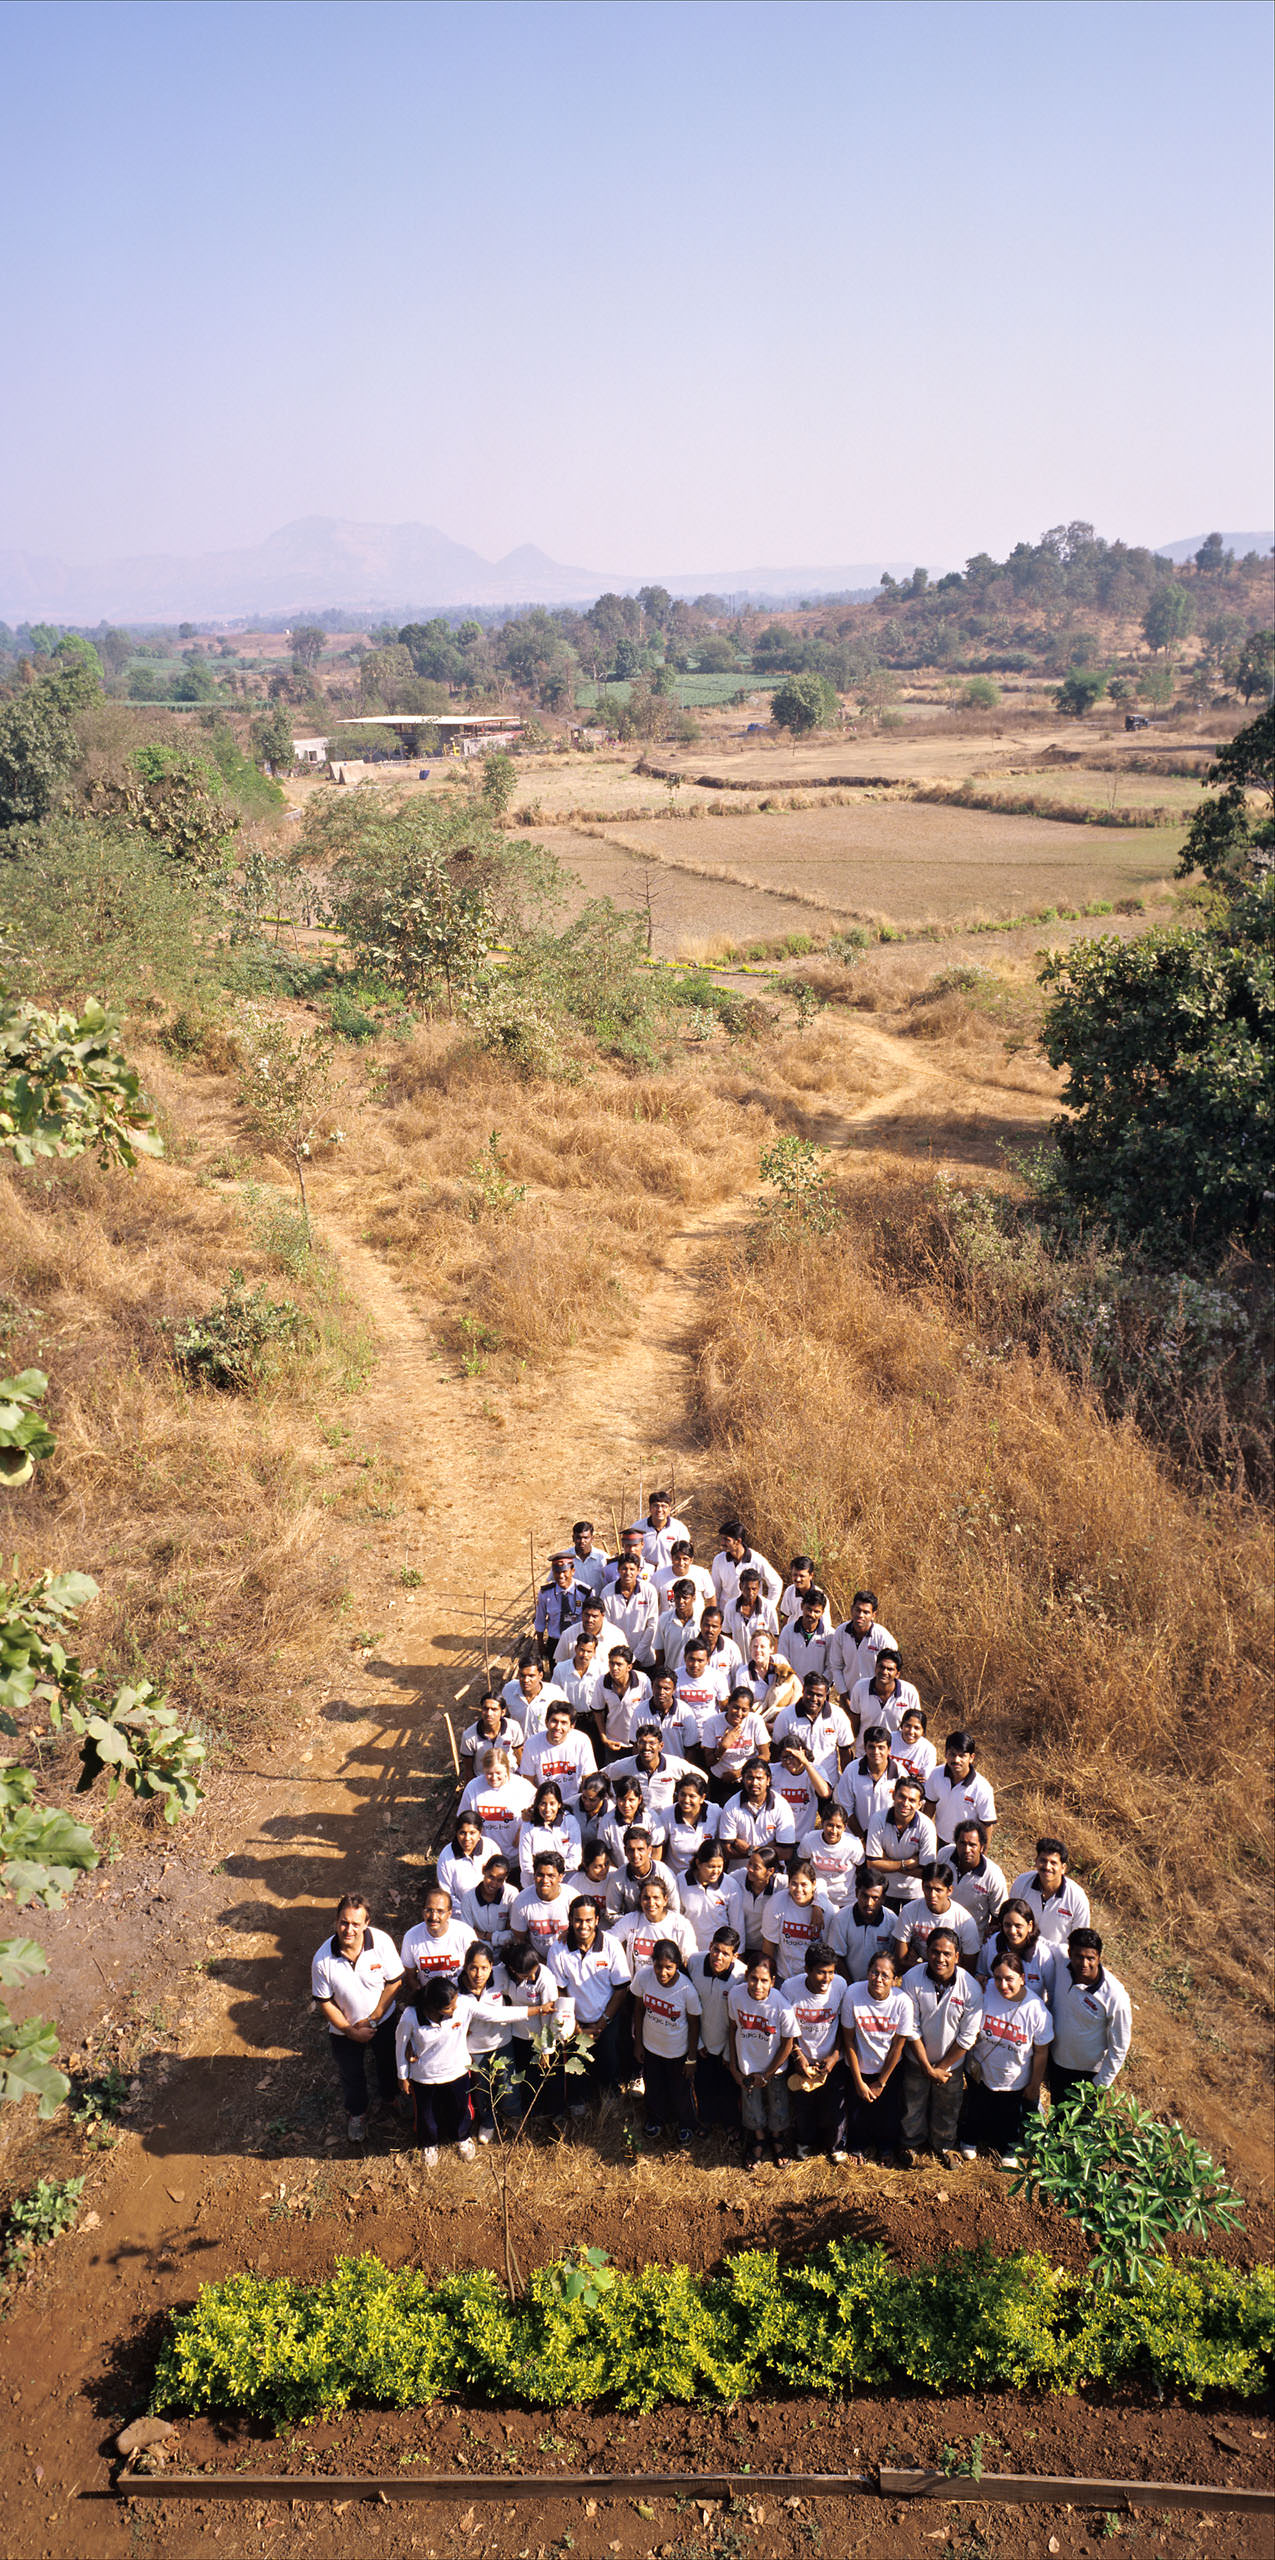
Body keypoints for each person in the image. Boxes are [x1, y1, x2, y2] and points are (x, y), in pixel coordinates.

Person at [311, 1891, 404, 2141]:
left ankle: (390, 2098)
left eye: (355, 1923)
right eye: (344, 1922)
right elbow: (325, 2002)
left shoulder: (381, 1943)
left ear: (366, 1923)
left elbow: (394, 1983)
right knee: (351, 2074)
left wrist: (374, 2016)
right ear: (336, 1921)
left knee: (387, 2062)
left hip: (382, 2022)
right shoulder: (322, 1959)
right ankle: (357, 2114)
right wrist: (351, 2030)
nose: (348, 1929)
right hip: (344, 2030)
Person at [961, 1949, 1052, 2169]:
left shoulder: (1036, 2010)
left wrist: (1034, 2085)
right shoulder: (986, 1990)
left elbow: (1041, 2052)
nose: (1003, 1985)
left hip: (1014, 2079)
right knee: (976, 2107)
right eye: (998, 1978)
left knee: (1008, 2117)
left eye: (1009, 1979)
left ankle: (1008, 2148)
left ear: (1022, 1978)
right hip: (982, 2071)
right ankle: (970, 2138)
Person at [899, 1929, 982, 2165]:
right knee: (912, 2103)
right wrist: (926, 2065)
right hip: (917, 2059)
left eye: (947, 1953)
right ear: (927, 1952)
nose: (940, 1959)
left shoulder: (970, 1987)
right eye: (934, 1952)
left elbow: (967, 2036)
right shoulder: (912, 1978)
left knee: (948, 2106)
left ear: (957, 1956)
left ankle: (944, 2144)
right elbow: (911, 2026)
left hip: (951, 2065)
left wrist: (940, 2068)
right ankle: (911, 2143)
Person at [456, 1938, 544, 2141]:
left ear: (492, 1967)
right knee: (482, 2088)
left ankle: (514, 2118)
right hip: (474, 2049)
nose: (479, 1975)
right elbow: (493, 2015)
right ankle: (487, 2122)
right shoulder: (457, 1989)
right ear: (465, 1966)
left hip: (502, 2043)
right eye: (473, 1968)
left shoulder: (501, 1977)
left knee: (508, 2085)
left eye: (484, 1968)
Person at [547, 1896, 632, 2100]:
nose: (583, 1926)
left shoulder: (611, 1945)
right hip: (574, 2020)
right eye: (577, 1920)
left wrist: (602, 2024)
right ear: (570, 1920)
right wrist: (574, 2026)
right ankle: (578, 2104)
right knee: (576, 2067)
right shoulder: (557, 1949)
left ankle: (610, 2101)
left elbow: (621, 1990)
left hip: (607, 2018)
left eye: (588, 1920)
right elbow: (559, 1991)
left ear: (596, 1920)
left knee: (609, 2060)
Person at [841, 1948, 915, 2164]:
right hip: (858, 2066)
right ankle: (857, 2146)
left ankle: (885, 2148)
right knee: (857, 2113)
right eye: (874, 1972)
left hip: (888, 2069)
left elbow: (897, 2047)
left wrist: (881, 2082)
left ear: (895, 1979)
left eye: (885, 1975)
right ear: (867, 1972)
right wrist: (858, 2081)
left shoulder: (903, 2002)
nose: (878, 1979)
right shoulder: (853, 1994)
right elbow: (849, 2041)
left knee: (888, 2113)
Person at [396, 1976, 478, 2164]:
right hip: (425, 2077)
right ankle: (429, 2144)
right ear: (432, 2006)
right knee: (426, 2113)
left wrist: (535, 2010)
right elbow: (400, 2046)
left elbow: (496, 2014)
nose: (455, 2009)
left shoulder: (461, 2005)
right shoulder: (410, 2016)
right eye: (449, 2007)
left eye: (455, 2003)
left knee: (459, 2108)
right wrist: (403, 2076)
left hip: (457, 2072)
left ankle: (462, 2137)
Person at [727, 1949, 796, 2170]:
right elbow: (732, 2028)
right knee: (751, 2106)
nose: (758, 1985)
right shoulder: (736, 1995)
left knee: (778, 2105)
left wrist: (767, 2074)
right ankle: (757, 2139)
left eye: (764, 1980)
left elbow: (788, 2043)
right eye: (753, 1979)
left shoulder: (782, 2007)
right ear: (747, 1976)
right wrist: (733, 2065)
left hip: (773, 2069)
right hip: (747, 2065)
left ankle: (776, 2138)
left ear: (773, 1982)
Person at [781, 1943, 849, 2161]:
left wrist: (835, 2055)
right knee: (804, 2106)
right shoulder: (790, 1989)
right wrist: (798, 2056)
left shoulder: (840, 1985)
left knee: (834, 2106)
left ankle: (835, 2145)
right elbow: (786, 2030)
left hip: (831, 2061)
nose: (826, 1979)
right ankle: (803, 2142)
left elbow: (843, 2026)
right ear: (807, 1970)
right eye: (821, 1972)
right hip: (802, 2060)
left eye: (831, 1972)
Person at [1048, 1929, 1132, 2098]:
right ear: (1069, 1953)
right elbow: (1041, 1942)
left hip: (1088, 2077)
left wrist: (1099, 2085)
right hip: (1057, 2066)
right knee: (1057, 2122)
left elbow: (1120, 2047)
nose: (1084, 1964)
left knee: (1081, 2124)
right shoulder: (1061, 1963)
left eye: (1090, 1958)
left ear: (1099, 1957)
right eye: (1079, 1956)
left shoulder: (1115, 1996)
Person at [632, 1940, 701, 2144]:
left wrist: (691, 2058)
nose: (662, 1972)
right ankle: (656, 2120)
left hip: (677, 2052)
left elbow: (694, 2024)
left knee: (680, 2091)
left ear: (677, 1965)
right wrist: (638, 2042)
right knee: (654, 2088)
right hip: (651, 2047)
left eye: (669, 1967)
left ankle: (686, 2124)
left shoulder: (686, 1990)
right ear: (652, 1963)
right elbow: (638, 2008)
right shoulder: (644, 1977)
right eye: (658, 1966)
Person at [691, 1927, 746, 2129]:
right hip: (701, 2041)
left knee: (728, 2088)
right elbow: (689, 2006)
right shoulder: (695, 1963)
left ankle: (731, 2125)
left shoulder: (741, 1976)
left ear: (735, 1955)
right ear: (709, 1946)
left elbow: (739, 2020)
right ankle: (705, 2121)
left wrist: (728, 2051)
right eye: (715, 1949)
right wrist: (697, 2041)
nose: (718, 1957)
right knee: (703, 2084)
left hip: (727, 2045)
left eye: (725, 1953)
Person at [866, 1776, 940, 1910]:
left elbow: (927, 1874)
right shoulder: (878, 1819)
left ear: (920, 1804)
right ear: (893, 1795)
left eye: (912, 1800)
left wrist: (887, 1861)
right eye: (902, 1796)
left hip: (914, 1893)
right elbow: (872, 1864)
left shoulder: (927, 1826)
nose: (905, 1803)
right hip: (884, 1890)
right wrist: (907, 1863)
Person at [1009, 1838, 1092, 1951]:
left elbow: (1080, 1940)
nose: (1047, 1867)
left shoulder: (1077, 1898)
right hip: (1021, 1951)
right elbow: (1009, 1917)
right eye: (1043, 1860)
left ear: (1063, 1868)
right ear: (1036, 1861)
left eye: (1053, 1863)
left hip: (1056, 1959)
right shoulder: (1022, 1882)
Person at [459, 1743, 535, 1862]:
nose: (494, 1778)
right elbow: (463, 1819)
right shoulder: (473, 1787)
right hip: (485, 1859)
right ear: (483, 1770)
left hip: (518, 1857)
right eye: (489, 1773)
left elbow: (538, 1813)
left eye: (498, 1773)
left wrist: (524, 1829)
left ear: (507, 1768)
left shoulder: (523, 1787)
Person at [895, 1863, 981, 1966]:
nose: (932, 1895)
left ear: (949, 1890)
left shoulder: (965, 1921)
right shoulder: (909, 1911)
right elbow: (901, 1960)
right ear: (922, 1887)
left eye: (938, 1890)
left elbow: (969, 1966)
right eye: (928, 1888)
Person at [762, 1854, 834, 1977]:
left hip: (814, 1979)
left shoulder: (827, 1910)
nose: (798, 1890)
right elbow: (769, 1945)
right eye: (794, 1884)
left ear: (813, 1884)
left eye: (804, 1884)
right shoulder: (776, 1903)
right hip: (783, 1976)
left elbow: (830, 1951)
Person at [772, 1672, 854, 1779]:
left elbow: (845, 1753)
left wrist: (846, 1781)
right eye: (810, 1693)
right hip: (796, 1785)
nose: (814, 1699)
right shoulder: (785, 1715)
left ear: (826, 1695)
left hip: (828, 1783)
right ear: (803, 1691)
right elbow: (775, 1752)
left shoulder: (838, 1715)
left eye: (819, 1695)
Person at [977, 1899, 1056, 2008]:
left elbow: (1052, 1994)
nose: (1012, 1931)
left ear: (1030, 1926)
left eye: (1018, 1926)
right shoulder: (991, 1944)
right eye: (1007, 1925)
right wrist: (980, 1979)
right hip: (994, 2011)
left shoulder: (1042, 1954)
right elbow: (980, 1972)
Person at [718, 1756, 798, 1865]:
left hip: (771, 1873)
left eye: (759, 1778)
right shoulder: (731, 1806)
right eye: (750, 1778)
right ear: (743, 1779)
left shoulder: (781, 1806)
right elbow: (727, 1851)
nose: (754, 1783)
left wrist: (750, 1849)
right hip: (738, 1874)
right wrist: (768, 1849)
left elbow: (787, 1852)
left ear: (768, 1780)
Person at [612, 1874, 697, 1976]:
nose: (651, 1903)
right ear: (640, 1900)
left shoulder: (681, 1925)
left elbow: (691, 1959)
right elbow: (609, 1940)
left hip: (669, 1986)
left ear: (665, 1900)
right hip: (638, 1987)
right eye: (646, 1898)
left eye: (656, 1898)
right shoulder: (631, 1920)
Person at [829, 1590, 898, 1709]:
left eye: (866, 1612)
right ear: (852, 1609)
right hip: (848, 1697)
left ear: (873, 1615)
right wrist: (845, 1697)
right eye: (858, 1610)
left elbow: (892, 1673)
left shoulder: (883, 1638)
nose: (861, 1615)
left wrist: (882, 1698)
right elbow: (836, 1667)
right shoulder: (841, 1632)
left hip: (875, 1699)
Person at [927, 1731, 997, 1848]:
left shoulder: (982, 1787)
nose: (956, 1760)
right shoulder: (936, 1774)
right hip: (940, 1841)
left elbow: (987, 1825)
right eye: (952, 1754)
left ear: (971, 1758)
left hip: (967, 1846)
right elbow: (929, 1808)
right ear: (945, 1754)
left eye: (962, 1755)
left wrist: (982, 1855)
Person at [829, 1869, 901, 1982]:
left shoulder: (893, 1921)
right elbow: (836, 1957)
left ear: (883, 1899)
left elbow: (894, 1960)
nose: (869, 1903)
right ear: (857, 1893)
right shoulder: (841, 1918)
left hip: (880, 1986)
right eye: (864, 1896)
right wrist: (851, 1986)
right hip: (849, 1984)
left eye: (875, 1898)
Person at [700, 1685, 771, 1796]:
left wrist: (739, 1773)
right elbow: (709, 1762)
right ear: (728, 1704)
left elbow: (765, 1755)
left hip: (748, 1779)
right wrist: (723, 1747)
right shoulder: (712, 1723)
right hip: (721, 1780)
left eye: (744, 1710)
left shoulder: (755, 1721)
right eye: (735, 1707)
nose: (739, 1713)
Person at [400, 1885, 475, 1988]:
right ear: (422, 1911)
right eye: (429, 1910)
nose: (433, 1917)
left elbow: (476, 1969)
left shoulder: (465, 1933)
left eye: (440, 1911)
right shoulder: (411, 1937)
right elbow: (410, 1976)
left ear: (449, 1913)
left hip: (461, 1995)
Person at [680, 1839, 746, 1949]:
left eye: (719, 1866)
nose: (716, 1871)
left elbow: (737, 1924)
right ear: (698, 1863)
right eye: (711, 1866)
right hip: (689, 1950)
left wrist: (739, 1952)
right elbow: (677, 1918)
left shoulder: (731, 1885)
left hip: (719, 1953)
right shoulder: (681, 1880)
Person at [605, 1822, 681, 1917]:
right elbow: (612, 1913)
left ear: (649, 1850)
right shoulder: (618, 1877)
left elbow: (674, 1910)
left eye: (640, 1849)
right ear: (625, 1851)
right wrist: (636, 1925)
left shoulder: (665, 1873)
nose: (635, 1855)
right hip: (632, 1928)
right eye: (631, 1850)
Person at [836, 1725, 898, 1840]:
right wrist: (862, 1838)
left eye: (881, 1747)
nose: (876, 1752)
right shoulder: (851, 1770)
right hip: (855, 1838)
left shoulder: (900, 1774)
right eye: (871, 1747)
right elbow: (846, 1809)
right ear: (864, 1747)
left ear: (889, 1749)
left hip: (888, 1840)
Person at [950, 1820, 1008, 1941]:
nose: (967, 1849)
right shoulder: (944, 1856)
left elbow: (999, 1915)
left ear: (982, 1847)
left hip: (972, 1940)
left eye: (972, 1845)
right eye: (962, 1843)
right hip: (941, 1933)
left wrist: (987, 1937)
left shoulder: (993, 1876)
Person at [711, 1519, 783, 1614]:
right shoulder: (719, 1560)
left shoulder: (757, 1560)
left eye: (726, 1540)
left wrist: (767, 1609)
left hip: (752, 1615)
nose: (722, 1542)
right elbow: (716, 1590)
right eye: (722, 1538)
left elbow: (776, 1583)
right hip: (726, 1615)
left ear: (738, 1541)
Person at [516, 1780, 583, 1884]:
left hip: (564, 1884)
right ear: (537, 1805)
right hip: (533, 1884)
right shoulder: (528, 1825)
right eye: (543, 1804)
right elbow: (526, 1864)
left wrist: (549, 1871)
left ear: (559, 1804)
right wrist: (550, 1873)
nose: (547, 1809)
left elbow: (575, 1861)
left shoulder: (570, 1822)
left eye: (552, 1804)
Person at [511, 1849, 575, 1955]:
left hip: (568, 1957)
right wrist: (538, 1962)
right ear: (534, 1875)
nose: (545, 1880)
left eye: (551, 1876)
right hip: (536, 1961)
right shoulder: (521, 1901)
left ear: (561, 1877)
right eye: (540, 1875)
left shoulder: (572, 1898)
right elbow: (520, 1940)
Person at [847, 1649, 919, 1741]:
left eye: (890, 1669)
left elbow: (915, 1725)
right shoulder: (860, 1687)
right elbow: (854, 1723)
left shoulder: (909, 1692)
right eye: (881, 1667)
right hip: (865, 1751)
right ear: (875, 1667)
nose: (884, 1672)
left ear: (897, 1674)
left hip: (895, 1753)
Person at [459, 1851, 519, 1957]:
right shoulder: (468, 1898)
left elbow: (515, 1934)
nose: (494, 1884)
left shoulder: (512, 1894)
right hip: (478, 1952)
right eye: (491, 1877)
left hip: (506, 1951)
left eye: (499, 1880)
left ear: (506, 1878)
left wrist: (487, 1936)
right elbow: (467, 1934)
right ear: (483, 1870)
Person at [770, 1735, 830, 1841]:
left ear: (803, 1753)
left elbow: (824, 1793)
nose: (788, 1761)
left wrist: (806, 1763)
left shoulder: (816, 1770)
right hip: (776, 1838)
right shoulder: (773, 1770)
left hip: (803, 1839)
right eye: (784, 1757)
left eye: (792, 1756)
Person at [806, 1801, 863, 1909]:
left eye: (838, 1826)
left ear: (845, 1827)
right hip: (817, 1900)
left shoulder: (853, 1844)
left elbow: (861, 1871)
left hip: (846, 1901)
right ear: (822, 1823)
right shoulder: (809, 1840)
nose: (833, 1831)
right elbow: (804, 1868)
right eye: (830, 1825)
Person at [607, 1553, 660, 1668]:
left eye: (632, 1569)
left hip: (644, 1658)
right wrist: (622, 1657)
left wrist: (637, 1656)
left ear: (638, 1571)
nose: (628, 1573)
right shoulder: (607, 1592)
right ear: (618, 1570)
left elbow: (652, 1626)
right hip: (617, 1660)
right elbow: (607, 1627)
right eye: (624, 1568)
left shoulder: (649, 1591)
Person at [597, 1647, 654, 1755]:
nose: (614, 1668)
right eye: (612, 1663)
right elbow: (597, 1711)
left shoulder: (642, 1680)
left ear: (629, 1667)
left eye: (619, 1664)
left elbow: (651, 1709)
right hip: (613, 1743)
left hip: (639, 1744)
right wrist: (604, 1738)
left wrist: (644, 1740)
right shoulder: (602, 1682)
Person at [662, 1773, 720, 1876]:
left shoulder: (716, 1812)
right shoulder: (666, 1814)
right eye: (682, 1794)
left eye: (692, 1796)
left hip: (707, 1877)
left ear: (702, 1798)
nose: (686, 1800)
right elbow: (660, 1852)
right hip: (676, 1878)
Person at [553, 1595, 626, 1676]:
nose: (590, 1620)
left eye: (594, 1616)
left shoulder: (616, 1635)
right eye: (587, 1615)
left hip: (607, 1685)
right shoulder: (568, 1635)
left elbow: (625, 1665)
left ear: (602, 1616)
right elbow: (560, 1664)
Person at [534, 1551, 584, 1669]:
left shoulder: (585, 1592)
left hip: (577, 1641)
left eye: (564, 1572)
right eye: (557, 1572)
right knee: (556, 1675)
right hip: (555, 1642)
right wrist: (541, 1644)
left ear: (572, 1571)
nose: (561, 1576)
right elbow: (540, 1620)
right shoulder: (545, 1593)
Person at [461, 1691, 524, 1782]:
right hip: (484, 1781)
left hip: (510, 1777)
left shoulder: (513, 1727)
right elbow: (468, 1770)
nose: (489, 1713)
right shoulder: (469, 1736)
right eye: (485, 1709)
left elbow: (519, 1756)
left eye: (494, 1709)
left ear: (502, 1712)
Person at [437, 1813, 501, 1904]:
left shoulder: (491, 1848)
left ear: (480, 1833)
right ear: (456, 1833)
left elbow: (500, 1881)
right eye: (462, 1833)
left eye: (472, 1833)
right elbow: (447, 1894)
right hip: (461, 1913)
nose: (467, 1838)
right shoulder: (446, 1856)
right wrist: (467, 1912)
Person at [777, 1587, 835, 1684]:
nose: (812, 1614)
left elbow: (831, 1666)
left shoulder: (830, 1635)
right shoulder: (788, 1631)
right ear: (802, 1606)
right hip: (792, 1688)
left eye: (817, 1611)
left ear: (822, 1612)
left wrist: (819, 1685)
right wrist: (794, 1685)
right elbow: (783, 1661)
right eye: (809, 1609)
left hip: (818, 1691)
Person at [502, 1655, 568, 1739]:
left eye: (531, 1676)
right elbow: (504, 1716)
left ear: (540, 1675)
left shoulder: (555, 1694)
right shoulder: (509, 1690)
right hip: (517, 1747)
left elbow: (566, 1721)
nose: (526, 1680)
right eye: (522, 1675)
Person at [744, 1629, 802, 1725]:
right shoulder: (743, 1673)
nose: (758, 1650)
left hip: (781, 1715)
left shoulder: (779, 1661)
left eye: (762, 1646)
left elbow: (798, 1688)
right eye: (755, 1646)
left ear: (771, 1649)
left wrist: (789, 1712)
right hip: (758, 1714)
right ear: (750, 1649)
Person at [723, 1564, 780, 1656]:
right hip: (738, 1661)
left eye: (754, 1589)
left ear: (759, 1587)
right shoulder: (730, 1607)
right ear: (740, 1586)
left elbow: (775, 1637)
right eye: (747, 1589)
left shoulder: (768, 1608)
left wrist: (772, 1662)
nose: (751, 1593)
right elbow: (727, 1636)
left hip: (761, 1661)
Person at [628, 1489, 691, 1571]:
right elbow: (630, 1551)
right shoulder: (637, 1527)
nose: (659, 1510)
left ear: (669, 1509)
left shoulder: (679, 1529)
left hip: (669, 1573)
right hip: (643, 1573)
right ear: (650, 1508)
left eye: (664, 1506)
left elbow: (685, 1554)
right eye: (656, 1506)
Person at [653, 1537, 715, 1612]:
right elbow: (652, 1601)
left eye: (685, 1559)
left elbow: (711, 1599)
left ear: (691, 1560)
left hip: (695, 1622)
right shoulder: (659, 1576)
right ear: (672, 1558)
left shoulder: (702, 1574)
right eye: (677, 1558)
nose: (681, 1563)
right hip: (669, 1622)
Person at [655, 1577, 702, 1672]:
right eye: (677, 1597)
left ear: (694, 1598)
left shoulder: (701, 1620)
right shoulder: (664, 1619)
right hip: (671, 1675)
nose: (681, 1601)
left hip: (694, 1676)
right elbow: (660, 1652)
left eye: (685, 1598)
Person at [890, 1705, 937, 1794]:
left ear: (923, 1731)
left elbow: (924, 1780)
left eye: (916, 1728)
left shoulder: (929, 1750)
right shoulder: (890, 1738)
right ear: (902, 1725)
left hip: (910, 1792)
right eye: (908, 1726)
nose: (911, 1731)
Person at [778, 1557, 832, 1630]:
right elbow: (785, 1616)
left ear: (811, 1576)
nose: (797, 1579)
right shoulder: (789, 1591)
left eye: (802, 1576)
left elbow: (825, 1625)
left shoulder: (821, 1597)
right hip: (793, 1634)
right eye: (795, 1575)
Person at [567, 1519, 609, 1596]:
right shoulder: (565, 1557)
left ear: (592, 1538)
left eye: (586, 1538)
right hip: (573, 1604)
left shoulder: (602, 1558)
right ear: (573, 1538)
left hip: (597, 1604)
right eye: (578, 1538)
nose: (582, 1541)